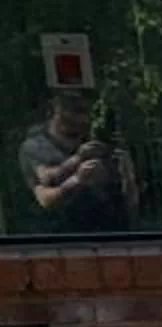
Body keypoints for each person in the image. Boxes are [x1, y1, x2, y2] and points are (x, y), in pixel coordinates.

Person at [16, 92, 137, 235]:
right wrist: (78, 174)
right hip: (63, 239)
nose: (82, 118)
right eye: (75, 109)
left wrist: (127, 176)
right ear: (56, 109)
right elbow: (46, 194)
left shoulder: (100, 145)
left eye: (86, 111)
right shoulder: (36, 147)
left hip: (112, 235)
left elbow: (130, 203)